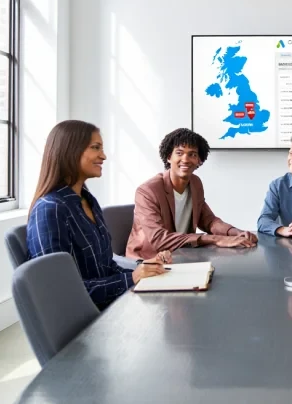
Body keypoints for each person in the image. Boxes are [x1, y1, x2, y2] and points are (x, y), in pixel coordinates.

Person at [27, 120, 167, 310]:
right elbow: (58, 291)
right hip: (88, 319)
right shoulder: (50, 209)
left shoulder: (88, 202)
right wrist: (132, 278)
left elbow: (106, 267)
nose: (104, 156)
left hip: (112, 304)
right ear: (70, 150)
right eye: (95, 147)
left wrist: (143, 269)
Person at [126, 128, 257, 261]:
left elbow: (208, 220)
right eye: (179, 153)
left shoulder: (195, 183)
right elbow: (159, 239)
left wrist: (236, 232)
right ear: (168, 157)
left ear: (199, 160)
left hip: (181, 256)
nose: (186, 159)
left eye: (192, 154)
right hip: (148, 261)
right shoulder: (148, 191)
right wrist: (215, 239)